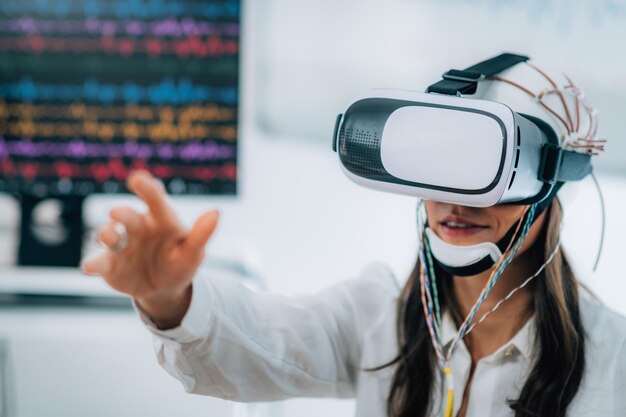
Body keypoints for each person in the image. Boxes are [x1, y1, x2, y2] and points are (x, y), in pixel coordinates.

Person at [82, 58, 626, 417]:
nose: (455, 201)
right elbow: (257, 345)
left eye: (487, 169)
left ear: (552, 183)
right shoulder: (375, 319)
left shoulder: (615, 363)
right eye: (439, 165)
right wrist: (166, 296)